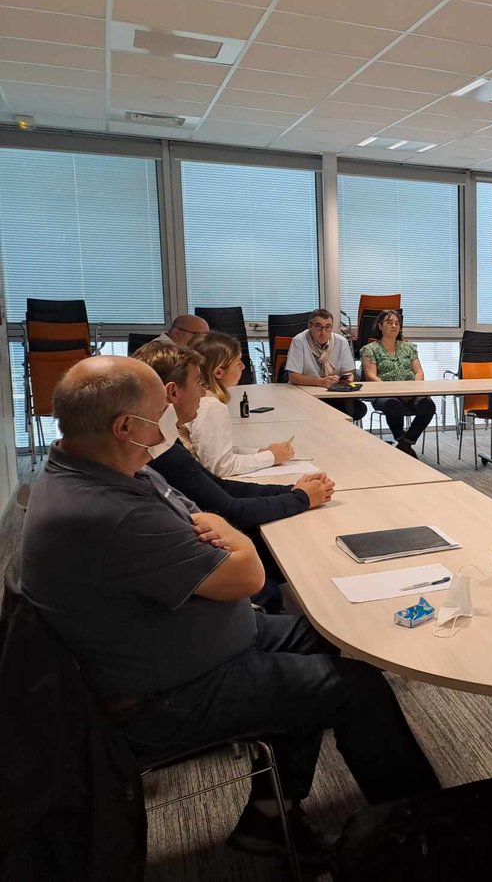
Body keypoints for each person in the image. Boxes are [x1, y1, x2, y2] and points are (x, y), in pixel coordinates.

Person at [22, 356, 439, 862]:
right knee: (357, 689)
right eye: (159, 418)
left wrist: (221, 533)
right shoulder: (108, 511)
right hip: (165, 696)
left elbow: (198, 514)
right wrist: (236, 541)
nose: (165, 434)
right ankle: (428, 840)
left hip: (190, 643)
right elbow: (246, 573)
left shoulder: (104, 468)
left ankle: (271, 812)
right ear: (126, 426)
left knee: (326, 638)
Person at [133, 340, 335, 613]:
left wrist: (291, 490)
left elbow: (216, 484)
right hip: (210, 566)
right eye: (197, 383)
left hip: (199, 551)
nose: (203, 391)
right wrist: (300, 499)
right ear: (172, 393)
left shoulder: (164, 443)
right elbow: (230, 508)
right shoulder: (163, 453)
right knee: (291, 551)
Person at [187, 331, 294, 478]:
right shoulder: (211, 407)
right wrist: (270, 457)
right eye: (238, 363)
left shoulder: (199, 399)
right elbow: (220, 466)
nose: (243, 367)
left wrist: (261, 453)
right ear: (219, 372)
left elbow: (217, 452)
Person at [359, 309, 436, 459]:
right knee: (393, 405)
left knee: (428, 405)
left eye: (397, 323)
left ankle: (405, 443)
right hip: (384, 394)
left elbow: (419, 372)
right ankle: (402, 439)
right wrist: (393, 391)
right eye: (389, 323)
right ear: (380, 326)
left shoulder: (408, 347)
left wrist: (413, 390)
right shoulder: (370, 349)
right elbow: (371, 376)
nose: (394, 326)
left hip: (411, 393)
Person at [285, 308, 367, 421]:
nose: (323, 332)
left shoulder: (341, 342)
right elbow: (293, 377)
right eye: (318, 326)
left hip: (333, 393)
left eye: (327, 327)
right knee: (321, 414)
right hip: (307, 394)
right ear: (310, 326)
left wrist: (346, 378)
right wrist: (320, 382)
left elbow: (348, 372)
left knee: (358, 409)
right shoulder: (299, 341)